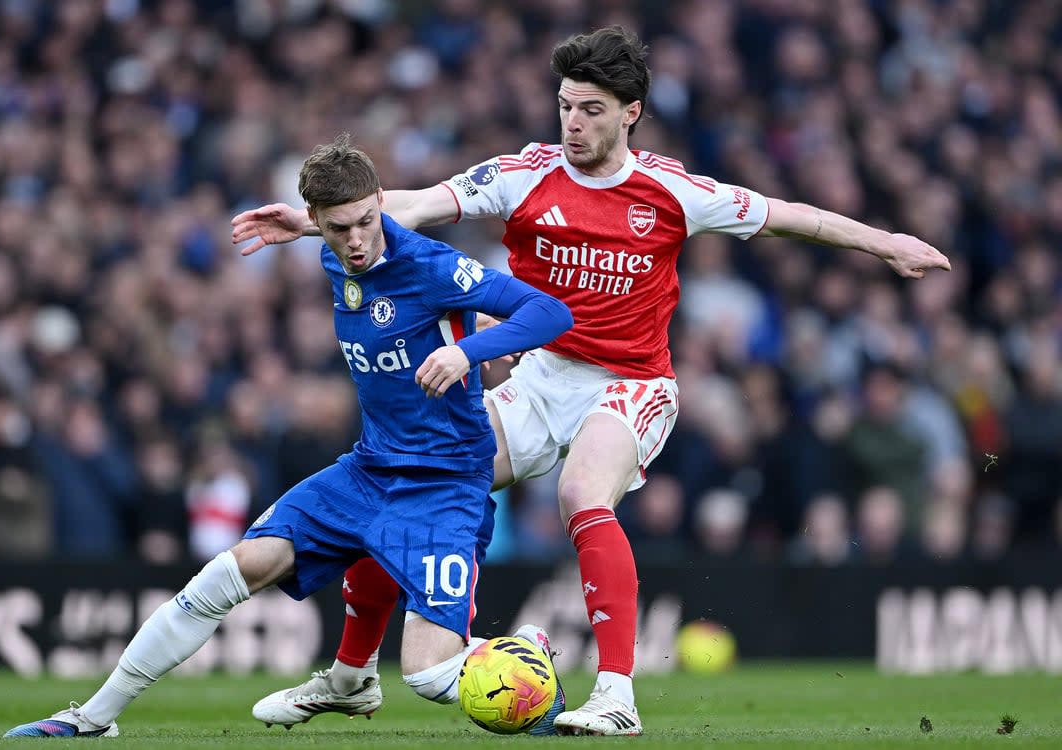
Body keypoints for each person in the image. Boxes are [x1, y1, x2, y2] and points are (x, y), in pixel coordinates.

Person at [232, 26, 951, 737]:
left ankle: (615, 694)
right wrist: (308, 224)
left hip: (632, 382)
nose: (574, 124)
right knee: (412, 480)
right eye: (566, 106)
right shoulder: (523, 173)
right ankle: (351, 678)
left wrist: (885, 244)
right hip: (544, 376)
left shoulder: (669, 190)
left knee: (581, 491)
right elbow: (413, 203)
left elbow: (785, 217)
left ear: (631, 111)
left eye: (592, 110)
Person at [4, 134, 573, 738]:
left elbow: (549, 314)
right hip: (371, 467)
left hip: (444, 481)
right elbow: (337, 227)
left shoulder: (432, 266)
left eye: (364, 222)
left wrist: (467, 351)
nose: (354, 241)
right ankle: (92, 718)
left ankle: (528, 652)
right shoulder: (332, 254)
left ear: (382, 203)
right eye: (336, 228)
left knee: (430, 679)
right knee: (230, 571)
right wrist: (303, 226)